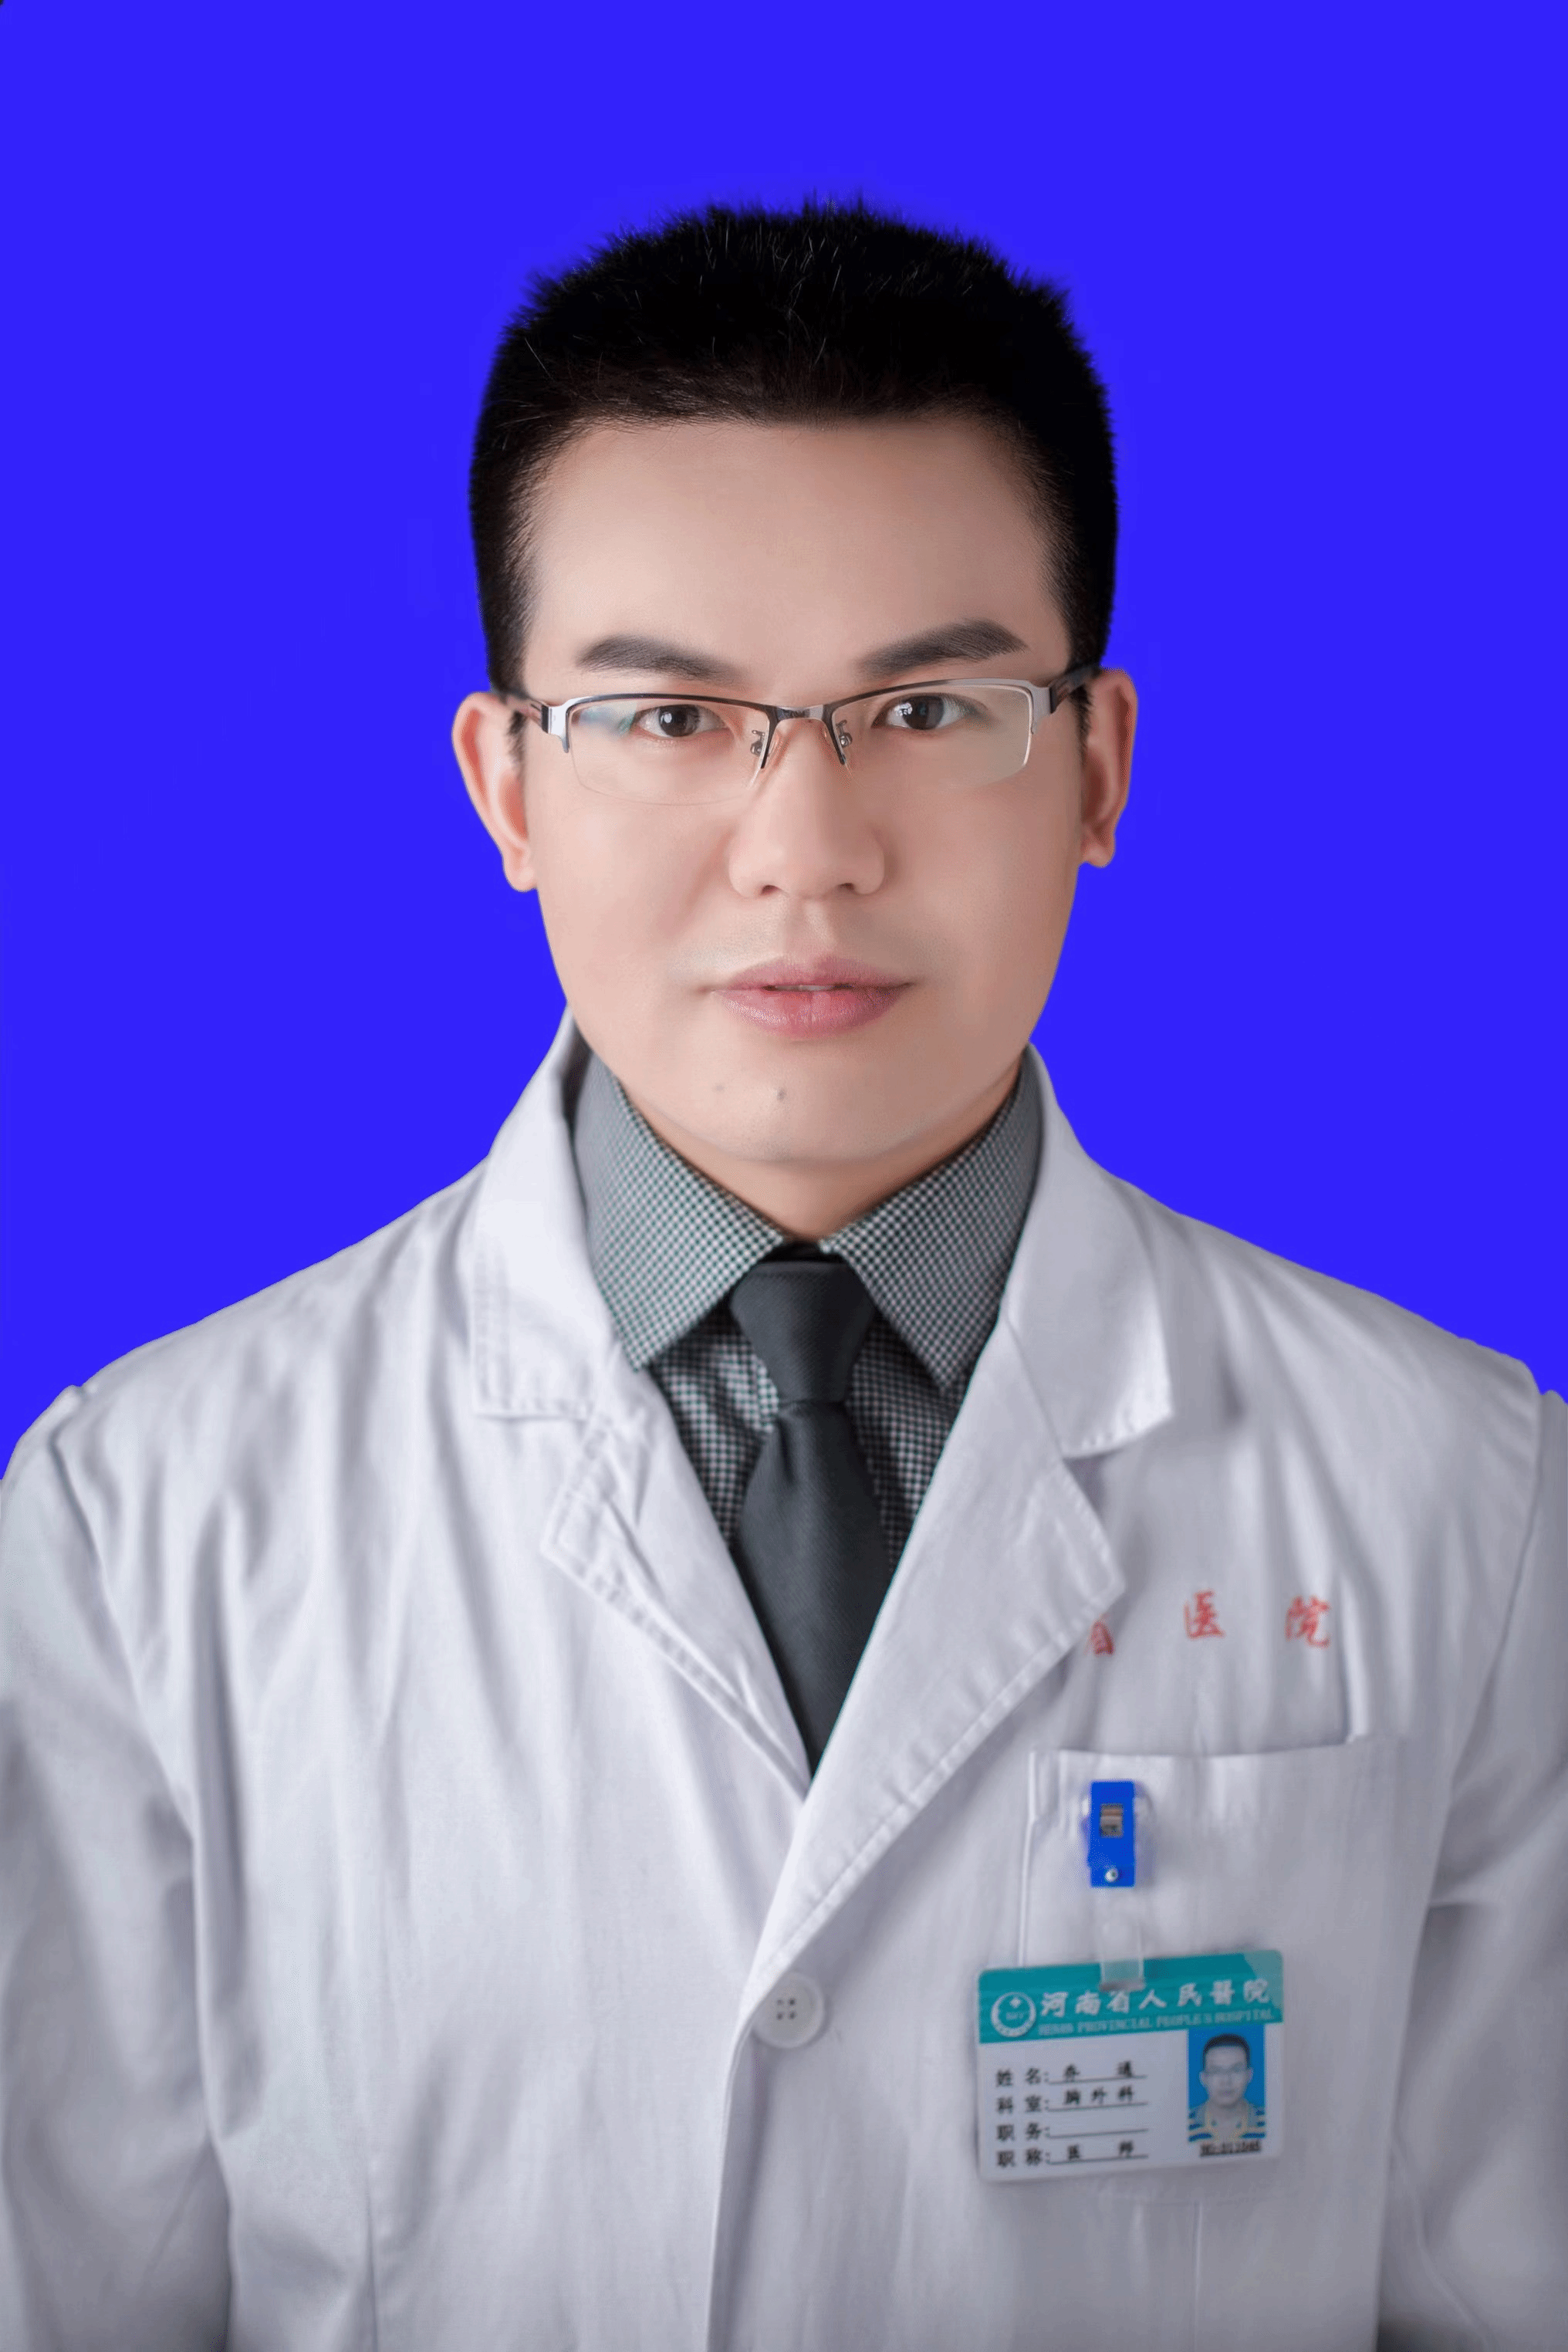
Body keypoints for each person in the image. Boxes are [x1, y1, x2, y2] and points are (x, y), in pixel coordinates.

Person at [0, 198, 1563, 2352]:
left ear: (1098, 763)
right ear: (507, 785)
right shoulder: (141, 1522)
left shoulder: (1468, 1500)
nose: (805, 849)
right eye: (669, 717)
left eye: (926, 706)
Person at [1189, 2033, 1265, 2149]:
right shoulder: (1185, 2125)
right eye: (1216, 2071)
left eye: (1236, 2070)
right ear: (1203, 2078)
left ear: (1249, 2075)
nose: (1226, 2081)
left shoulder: (1269, 2122)